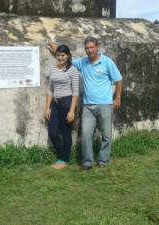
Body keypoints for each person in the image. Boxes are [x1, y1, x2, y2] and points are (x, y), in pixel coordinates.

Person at [48, 37, 123, 170]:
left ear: (97, 47)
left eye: (92, 47)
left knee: (106, 135)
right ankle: (88, 162)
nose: (89, 50)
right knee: (86, 134)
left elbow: (119, 79)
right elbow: (65, 60)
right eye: (87, 48)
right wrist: (56, 50)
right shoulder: (83, 62)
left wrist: (117, 98)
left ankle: (103, 160)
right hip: (88, 105)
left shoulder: (107, 62)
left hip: (105, 104)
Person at [44, 45, 80, 170]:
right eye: (58, 55)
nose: (60, 57)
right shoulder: (53, 69)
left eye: (63, 55)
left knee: (66, 133)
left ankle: (64, 160)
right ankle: (61, 157)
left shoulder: (73, 70)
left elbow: (76, 92)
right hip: (55, 104)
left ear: (68, 56)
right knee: (53, 132)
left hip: (67, 103)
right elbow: (50, 90)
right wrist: (47, 108)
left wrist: (71, 111)